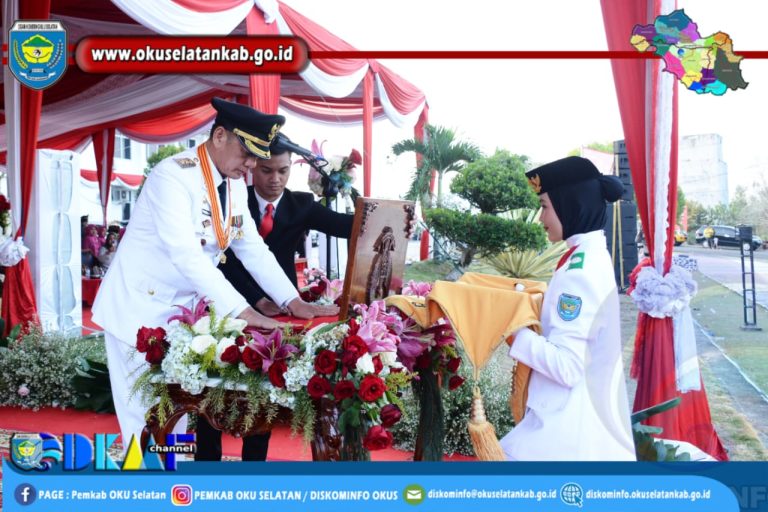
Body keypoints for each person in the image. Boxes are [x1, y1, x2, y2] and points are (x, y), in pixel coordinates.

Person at [92, 98, 338, 451]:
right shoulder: (172, 176)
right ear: (220, 136)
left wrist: (293, 301)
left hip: (178, 317)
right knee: (144, 423)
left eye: (256, 156)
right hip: (138, 310)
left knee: (174, 419)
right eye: (247, 153)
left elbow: (251, 247)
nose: (251, 164)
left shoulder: (233, 182)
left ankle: (171, 480)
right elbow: (186, 255)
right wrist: (243, 311)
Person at [206, 135, 355, 461]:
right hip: (230, 301)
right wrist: (256, 299)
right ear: (251, 168)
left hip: (283, 309)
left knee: (263, 390)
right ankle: (207, 467)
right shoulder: (233, 199)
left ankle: (254, 470)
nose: (275, 179)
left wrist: (386, 214)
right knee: (213, 389)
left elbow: (348, 226)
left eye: (283, 171)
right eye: (266, 170)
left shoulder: (301, 204)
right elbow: (223, 258)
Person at [500, 156, 635, 461]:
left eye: (545, 206)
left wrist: (512, 330)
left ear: (570, 204)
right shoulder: (587, 257)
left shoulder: (579, 272)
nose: (540, 218)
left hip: (567, 437)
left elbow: (568, 366)